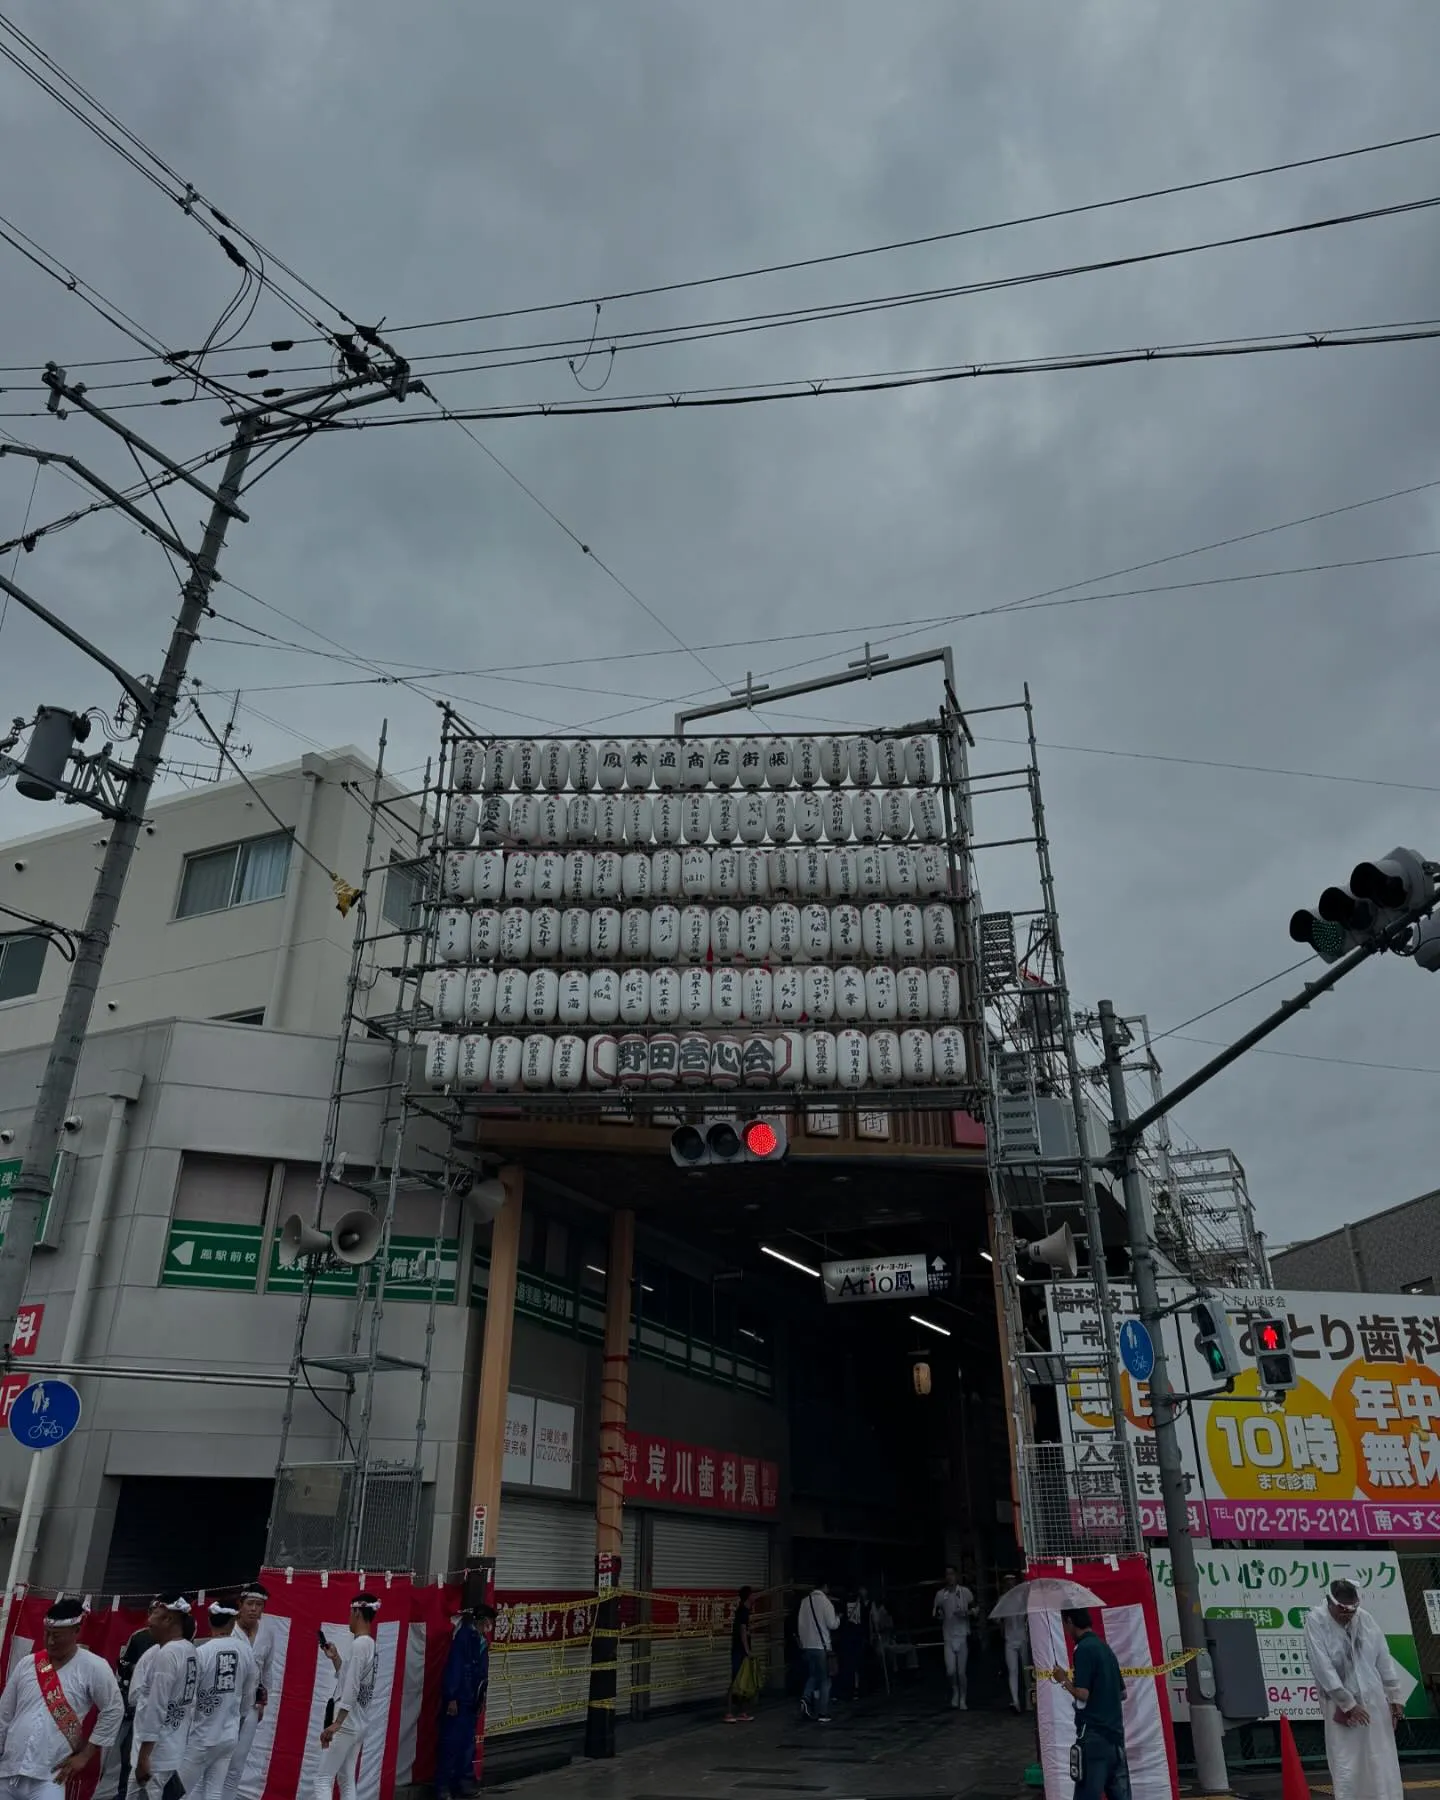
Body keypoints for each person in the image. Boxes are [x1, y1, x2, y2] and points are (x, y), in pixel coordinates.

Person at [0, 1594, 123, 1800]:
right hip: (8, 1769)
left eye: (57, 1635)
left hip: (49, 1777)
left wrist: (85, 1756)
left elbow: (114, 1709)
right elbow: (4, 1713)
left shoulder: (94, 1666)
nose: (49, 1641)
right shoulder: (28, 1664)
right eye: (47, 1633)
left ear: (76, 1631)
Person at [1303, 1575, 1406, 1800]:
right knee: (1347, 1758)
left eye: (1353, 1609)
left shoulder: (1365, 1619)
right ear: (1329, 1602)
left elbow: (1383, 1658)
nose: (1348, 1614)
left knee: (1382, 1756)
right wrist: (1348, 1703)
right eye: (1342, 1610)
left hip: (1373, 1698)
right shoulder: (1315, 1620)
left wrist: (1394, 1696)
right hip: (1339, 1704)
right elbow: (1322, 1667)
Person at [180, 1602, 257, 1800]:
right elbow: (250, 1693)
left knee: (179, 1790)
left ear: (209, 1621)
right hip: (228, 1733)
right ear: (233, 1622)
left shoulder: (202, 1652)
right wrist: (239, 1715)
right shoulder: (246, 1650)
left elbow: (189, 1696)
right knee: (214, 1790)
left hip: (202, 1734)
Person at [129, 1593, 199, 1800]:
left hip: (155, 1752)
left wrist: (144, 1756)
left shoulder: (167, 1654)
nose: (148, 1621)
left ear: (168, 1619)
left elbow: (157, 1707)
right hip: (172, 1745)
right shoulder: (189, 1649)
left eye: (154, 1614)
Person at [314, 1591, 379, 1800]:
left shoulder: (360, 1644)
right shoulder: (370, 1644)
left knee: (323, 1779)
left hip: (347, 1721)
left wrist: (337, 1723)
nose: (349, 1618)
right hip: (359, 1720)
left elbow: (351, 1688)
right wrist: (335, 1658)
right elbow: (352, 1679)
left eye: (351, 1613)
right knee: (346, 1779)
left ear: (357, 1612)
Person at [1059, 1609, 1129, 1800]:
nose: (1065, 1630)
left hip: (1093, 1735)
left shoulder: (1083, 1650)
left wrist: (1064, 1680)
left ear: (1070, 1621)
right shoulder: (1105, 1648)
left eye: (1065, 1624)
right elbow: (1122, 1693)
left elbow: (1082, 1694)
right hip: (1115, 1736)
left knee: (1087, 1793)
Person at [435, 1604, 493, 1799]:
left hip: (472, 1701)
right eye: (489, 1621)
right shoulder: (464, 1638)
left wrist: (481, 1699)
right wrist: (451, 1697)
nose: (490, 1625)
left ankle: (463, 1783)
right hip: (459, 1700)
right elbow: (455, 1668)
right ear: (483, 1621)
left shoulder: (481, 1641)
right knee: (450, 1743)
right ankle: (443, 1786)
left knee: (467, 1744)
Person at [222, 1583, 273, 1800]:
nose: (254, 1609)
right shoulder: (229, 1630)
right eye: (250, 1604)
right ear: (240, 1605)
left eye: (259, 1605)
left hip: (251, 1705)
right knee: (218, 1759)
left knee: (237, 1763)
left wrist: (263, 1701)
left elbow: (267, 1670)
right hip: (226, 1705)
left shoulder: (267, 1633)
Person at [114, 1622, 156, 1800]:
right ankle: (123, 1793)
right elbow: (123, 1666)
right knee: (128, 1755)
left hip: (163, 1719)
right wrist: (133, 1669)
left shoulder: (181, 1646)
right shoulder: (140, 1637)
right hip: (137, 1711)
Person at [932, 1566, 975, 1710]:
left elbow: (976, 1609)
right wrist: (939, 1616)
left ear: (957, 1576)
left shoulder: (964, 1592)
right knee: (950, 1671)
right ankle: (955, 1691)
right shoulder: (940, 1594)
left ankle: (963, 1698)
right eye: (947, 1574)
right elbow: (935, 1613)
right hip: (948, 1637)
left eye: (952, 1574)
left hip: (962, 1635)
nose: (950, 1577)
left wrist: (967, 1613)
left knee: (961, 1671)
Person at [796, 1582, 838, 1725]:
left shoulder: (804, 1602)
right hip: (821, 1647)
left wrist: (803, 1642)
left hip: (807, 1646)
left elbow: (800, 1625)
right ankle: (823, 1712)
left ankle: (806, 1697)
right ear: (825, 1587)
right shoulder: (825, 1602)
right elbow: (832, 1624)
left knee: (813, 1676)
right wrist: (839, 1619)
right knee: (825, 1680)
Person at [724, 1586, 755, 1725]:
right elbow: (743, 1631)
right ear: (749, 1596)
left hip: (740, 1650)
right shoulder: (743, 1611)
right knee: (736, 1680)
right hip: (739, 1651)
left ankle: (742, 1712)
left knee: (744, 1682)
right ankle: (729, 1712)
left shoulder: (744, 1611)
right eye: (752, 1595)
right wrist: (747, 1650)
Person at [999, 1575, 1028, 1713]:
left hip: (1022, 1638)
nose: (1010, 1583)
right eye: (1008, 1581)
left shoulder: (1023, 1598)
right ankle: (1015, 1700)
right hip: (1009, 1639)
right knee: (1013, 1670)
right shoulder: (1003, 1600)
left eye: (1012, 1581)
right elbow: (997, 1619)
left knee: (1026, 1670)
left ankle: (1029, 1700)